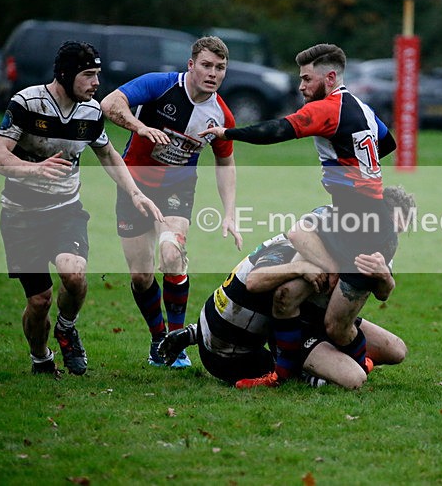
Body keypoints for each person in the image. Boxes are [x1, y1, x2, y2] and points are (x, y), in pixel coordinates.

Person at [202, 43, 398, 386]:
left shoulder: (329, 108)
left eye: (307, 79)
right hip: (354, 219)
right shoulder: (363, 109)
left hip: (361, 230)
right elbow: (388, 143)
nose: (301, 86)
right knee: (292, 274)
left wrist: (227, 133)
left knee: (337, 326)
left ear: (330, 78)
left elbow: (279, 130)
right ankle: (282, 373)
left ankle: (355, 364)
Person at [0, 41, 164, 376]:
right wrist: (34, 169)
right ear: (66, 75)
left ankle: (66, 329)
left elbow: (108, 154)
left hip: (65, 210)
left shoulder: (90, 111)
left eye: (97, 74)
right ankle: (41, 358)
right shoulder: (27, 102)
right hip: (21, 215)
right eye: (88, 75)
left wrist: (135, 193)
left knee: (75, 274)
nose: (96, 83)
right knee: (39, 301)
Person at [158, 186, 415, 389]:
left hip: (303, 318)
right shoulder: (313, 239)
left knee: (396, 350)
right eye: (389, 226)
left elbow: (382, 292)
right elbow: (256, 280)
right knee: (352, 378)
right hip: (231, 349)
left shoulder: (378, 245)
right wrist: (302, 267)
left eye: (397, 231)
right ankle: (294, 370)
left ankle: (197, 333)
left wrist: (385, 277)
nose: (390, 236)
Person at [100, 36, 243, 369]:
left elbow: (225, 162)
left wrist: (230, 212)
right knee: (141, 275)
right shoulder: (159, 85)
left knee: (171, 254)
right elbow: (109, 104)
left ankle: (176, 343)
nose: (213, 73)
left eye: (220, 68)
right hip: (133, 186)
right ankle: (157, 339)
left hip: (178, 189)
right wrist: (140, 127)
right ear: (191, 65)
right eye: (206, 65)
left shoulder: (221, 115)